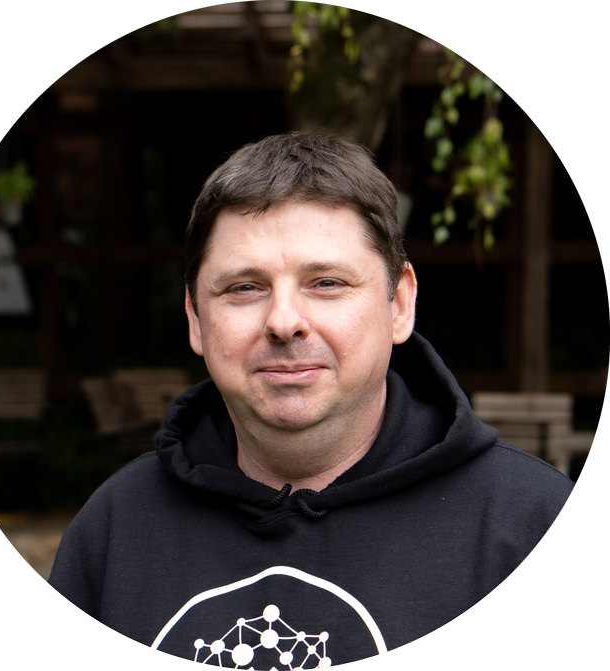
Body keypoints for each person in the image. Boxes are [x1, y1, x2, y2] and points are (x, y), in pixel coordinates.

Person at [49, 132, 573, 667]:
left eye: (326, 282)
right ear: (196, 320)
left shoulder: (535, 529)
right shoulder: (115, 532)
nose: (284, 321)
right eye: (245, 288)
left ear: (399, 304)